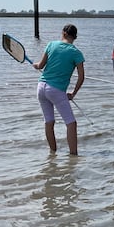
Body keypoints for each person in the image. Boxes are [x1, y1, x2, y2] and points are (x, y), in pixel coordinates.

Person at [33, 24, 85, 156]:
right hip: (55, 90)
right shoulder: (76, 53)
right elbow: (81, 77)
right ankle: (73, 156)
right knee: (71, 123)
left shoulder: (51, 44)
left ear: (63, 33)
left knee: (49, 121)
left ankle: (53, 153)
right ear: (75, 37)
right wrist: (73, 93)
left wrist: (35, 65)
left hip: (41, 87)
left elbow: (40, 65)